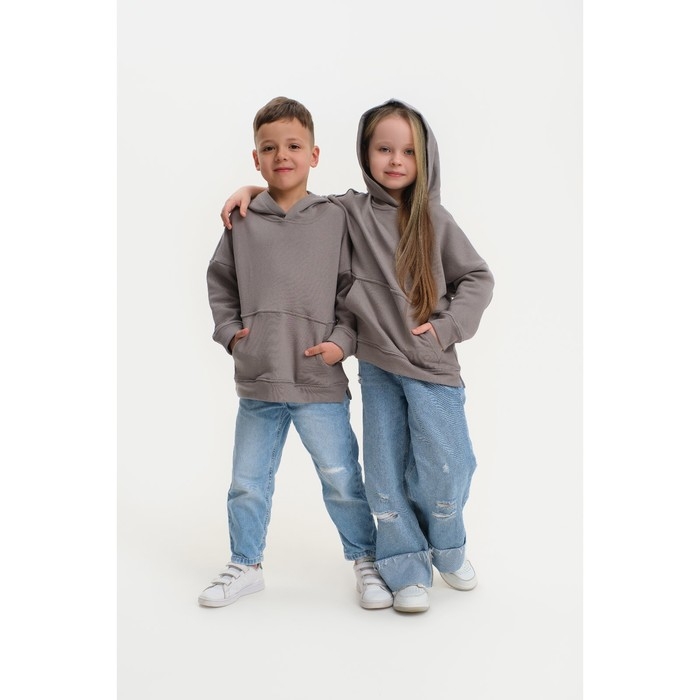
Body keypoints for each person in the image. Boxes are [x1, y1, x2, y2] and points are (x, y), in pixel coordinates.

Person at [220, 99, 495, 613]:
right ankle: (405, 569)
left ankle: (448, 547)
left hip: (431, 364)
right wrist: (253, 191)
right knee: (384, 475)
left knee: (450, 464)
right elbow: (293, 199)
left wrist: (447, 328)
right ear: (365, 154)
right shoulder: (348, 211)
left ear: (424, 157)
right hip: (377, 367)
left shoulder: (434, 219)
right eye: (384, 149)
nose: (395, 160)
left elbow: (477, 277)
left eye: (408, 151)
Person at [199, 96, 392, 610]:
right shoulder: (242, 220)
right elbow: (221, 282)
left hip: (318, 379)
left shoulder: (336, 217)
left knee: (342, 478)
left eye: (293, 146)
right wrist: (232, 335)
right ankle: (245, 564)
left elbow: (353, 290)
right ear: (256, 159)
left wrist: (341, 344)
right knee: (247, 482)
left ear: (314, 154)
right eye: (269, 148)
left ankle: (366, 560)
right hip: (260, 377)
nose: (281, 155)